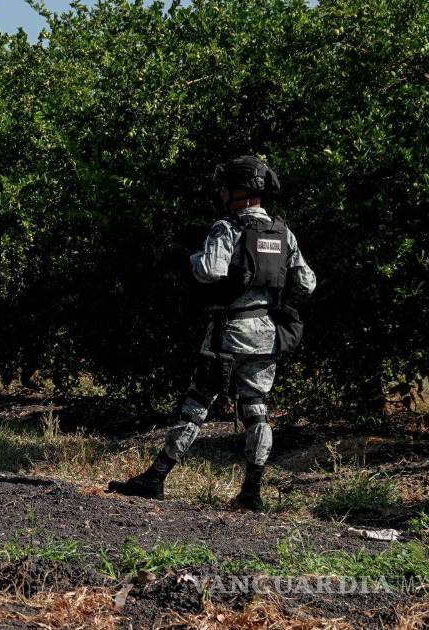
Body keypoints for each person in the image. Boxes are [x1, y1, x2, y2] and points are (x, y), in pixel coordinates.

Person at [108, 156, 316, 511]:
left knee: (197, 403)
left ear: (240, 190)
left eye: (226, 187)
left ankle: (156, 478)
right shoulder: (284, 233)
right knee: (256, 408)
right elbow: (307, 284)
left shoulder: (227, 228)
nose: (221, 192)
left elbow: (208, 271)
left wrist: (190, 259)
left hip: (228, 331)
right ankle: (251, 491)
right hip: (266, 334)